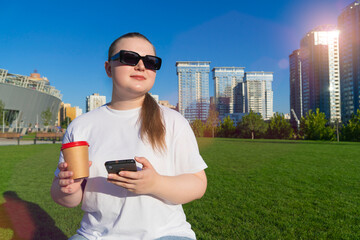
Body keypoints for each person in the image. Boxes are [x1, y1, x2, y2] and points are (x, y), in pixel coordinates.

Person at [50, 32, 208, 240]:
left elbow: (198, 184)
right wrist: (68, 189)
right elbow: (65, 198)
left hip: (164, 234)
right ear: (108, 68)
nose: (141, 66)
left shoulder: (172, 120)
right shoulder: (81, 125)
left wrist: (155, 184)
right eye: (130, 58)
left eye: (151, 62)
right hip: (95, 235)